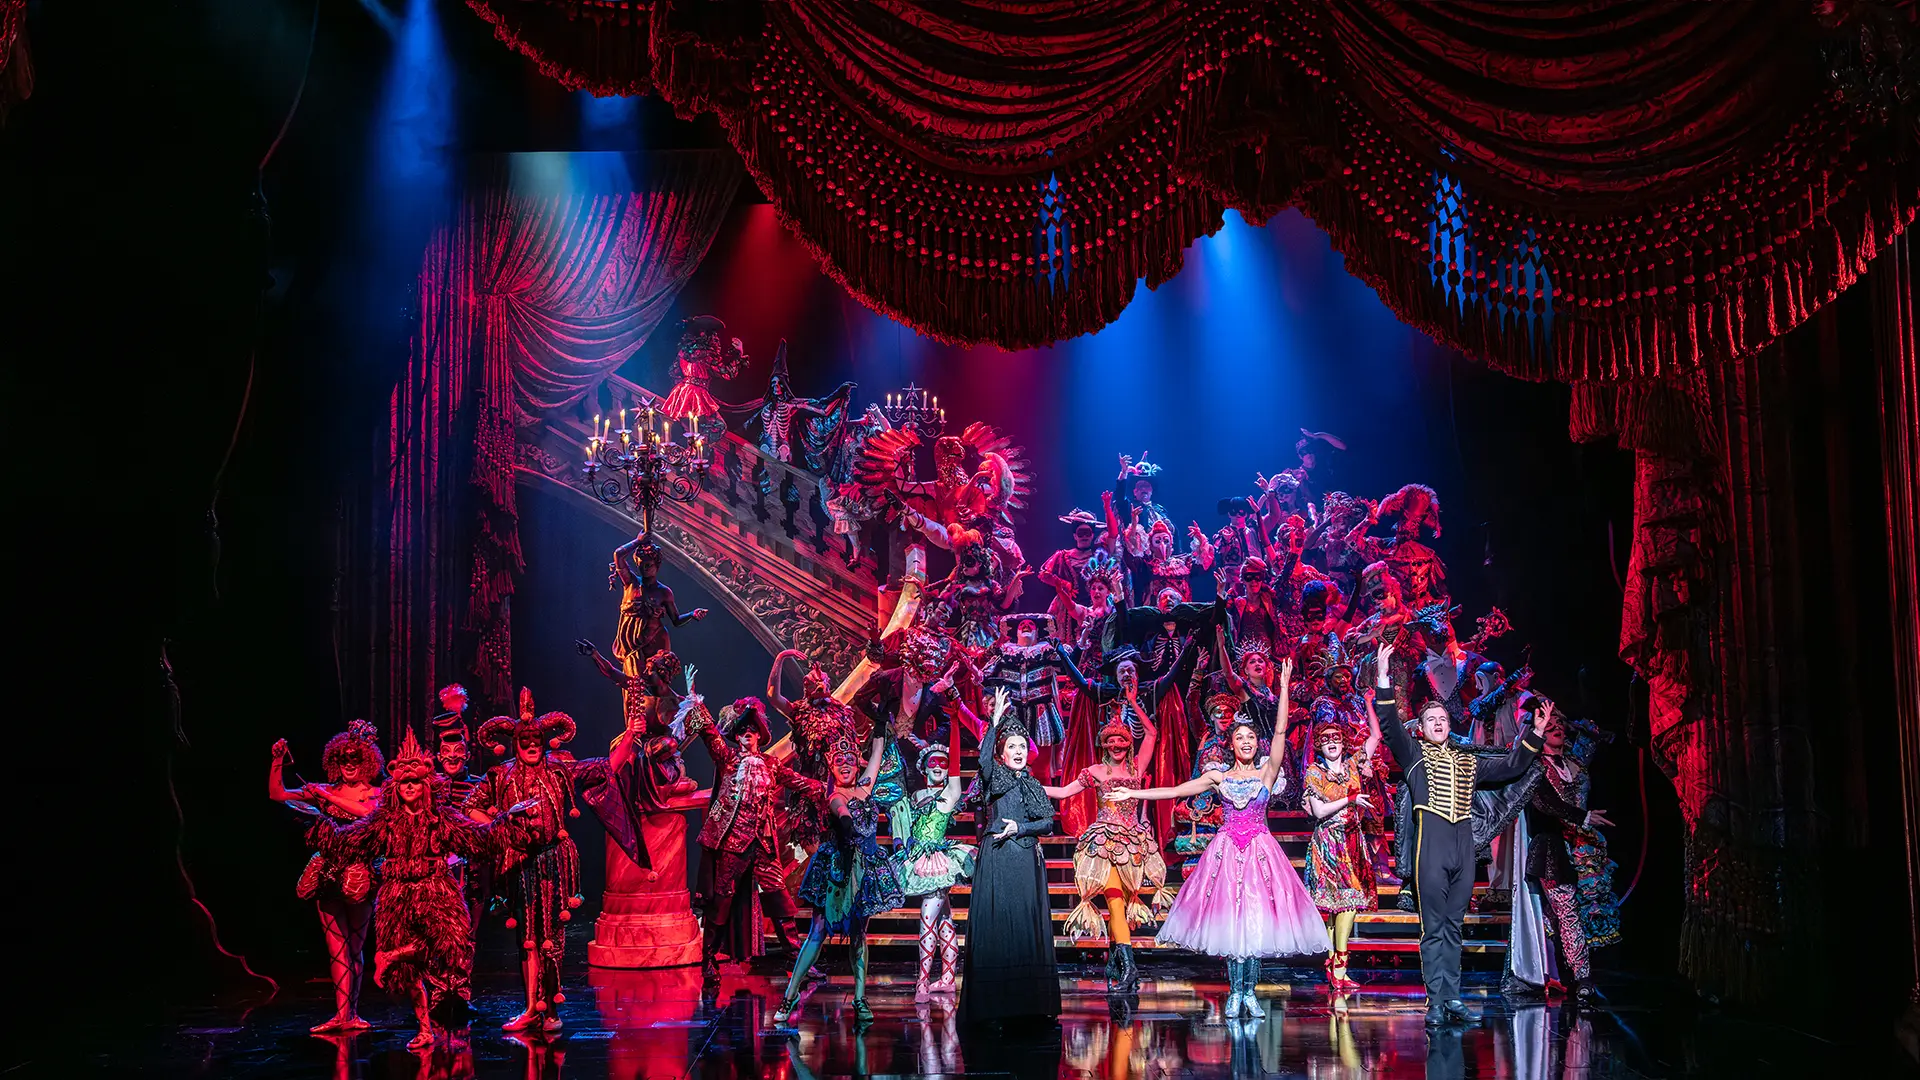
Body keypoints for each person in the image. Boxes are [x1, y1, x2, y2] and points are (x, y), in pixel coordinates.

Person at [1364, 641, 1546, 1027]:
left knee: (1453, 926)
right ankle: (1436, 1001)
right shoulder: (1413, 757)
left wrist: (1536, 735)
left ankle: (1454, 998)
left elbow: (1510, 766)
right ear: (1422, 728)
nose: (1438, 723)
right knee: (1433, 929)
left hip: (1463, 847)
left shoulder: (1468, 760)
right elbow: (1391, 724)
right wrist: (1382, 677)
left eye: (1443, 718)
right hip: (1431, 846)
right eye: (1430, 719)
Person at [322, 727, 535, 1049]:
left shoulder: (441, 817)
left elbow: (477, 840)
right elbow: (353, 839)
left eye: (415, 782)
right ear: (397, 786)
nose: (409, 787)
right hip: (397, 893)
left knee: (450, 945)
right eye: (404, 782)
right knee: (409, 973)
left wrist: (505, 820)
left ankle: (390, 955)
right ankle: (424, 1028)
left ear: (425, 785)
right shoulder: (384, 819)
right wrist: (322, 826)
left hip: (436, 890)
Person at [1111, 716, 1331, 1019]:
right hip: (1227, 853)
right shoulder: (1220, 778)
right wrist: (1133, 794)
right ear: (1231, 744)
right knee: (1231, 924)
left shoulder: (1267, 772)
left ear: (1257, 744)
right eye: (1240, 737)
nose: (1246, 742)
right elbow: (1177, 790)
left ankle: (1250, 993)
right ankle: (1235, 992)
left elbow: (1280, 730)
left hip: (1260, 853)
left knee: (1255, 926)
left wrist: (1284, 685)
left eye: (1251, 737)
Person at [466, 688, 633, 1033]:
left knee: (551, 936)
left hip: (553, 861)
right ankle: (530, 1007)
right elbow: (471, 806)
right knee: (526, 937)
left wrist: (631, 733)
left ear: (544, 741)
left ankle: (553, 1011)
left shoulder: (560, 770)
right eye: (524, 739)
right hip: (517, 863)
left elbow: (607, 766)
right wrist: (500, 824)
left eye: (536, 738)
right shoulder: (500, 776)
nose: (531, 744)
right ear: (515, 742)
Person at [684, 693, 827, 985]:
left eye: (751, 730)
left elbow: (800, 783)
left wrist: (832, 787)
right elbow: (709, 733)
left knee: (779, 899)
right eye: (741, 731)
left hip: (762, 843)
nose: (746, 734)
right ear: (736, 736)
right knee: (721, 902)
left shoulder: (772, 764)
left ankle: (794, 958)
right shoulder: (727, 759)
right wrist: (696, 699)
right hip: (732, 841)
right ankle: (708, 960)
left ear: (759, 735)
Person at [770, 732, 900, 1029]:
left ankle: (860, 997)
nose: (844, 765)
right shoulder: (835, 796)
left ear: (858, 766)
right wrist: (846, 823)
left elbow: (877, 753)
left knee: (859, 933)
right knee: (818, 930)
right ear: (831, 767)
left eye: (850, 761)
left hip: (864, 867)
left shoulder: (866, 788)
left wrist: (880, 722)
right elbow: (840, 810)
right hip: (836, 868)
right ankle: (790, 996)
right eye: (838, 761)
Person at [1041, 707, 1169, 995]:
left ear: (1128, 743)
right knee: (1113, 901)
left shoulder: (1138, 766)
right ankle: (1131, 968)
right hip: (1105, 843)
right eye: (1110, 741)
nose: (1116, 746)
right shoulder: (1095, 771)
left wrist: (1134, 703)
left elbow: (1152, 733)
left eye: (1121, 740)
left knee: (1121, 907)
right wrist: (1026, 783)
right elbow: (1062, 793)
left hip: (1134, 843)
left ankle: (1114, 961)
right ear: (1104, 745)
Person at [268, 720, 383, 1034]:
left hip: (361, 873)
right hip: (329, 872)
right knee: (336, 947)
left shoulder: (376, 792)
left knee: (356, 948)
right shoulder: (326, 790)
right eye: (343, 759)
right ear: (335, 761)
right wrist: (278, 760)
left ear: (367, 760)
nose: (348, 764)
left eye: (355, 758)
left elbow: (369, 815)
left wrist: (325, 797)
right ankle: (342, 1015)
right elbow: (278, 794)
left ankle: (353, 1011)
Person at [957, 692, 1062, 1028]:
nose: (1017, 752)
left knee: (1026, 925)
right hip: (999, 858)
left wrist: (1021, 827)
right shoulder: (995, 777)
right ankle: (995, 1005)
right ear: (1003, 753)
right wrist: (995, 721)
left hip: (1026, 858)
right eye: (1011, 747)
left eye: (1021, 746)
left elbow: (1047, 822)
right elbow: (984, 760)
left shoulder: (1031, 784)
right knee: (1000, 925)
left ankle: (1030, 1003)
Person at [1522, 701, 1618, 1006]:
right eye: (1550, 727)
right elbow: (1545, 803)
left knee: (1572, 915)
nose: (1557, 729)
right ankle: (1582, 977)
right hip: (1553, 848)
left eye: (1559, 725)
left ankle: (1562, 974)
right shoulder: (1534, 766)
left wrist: (1579, 724)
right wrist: (1584, 817)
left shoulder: (1575, 762)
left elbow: (1600, 736)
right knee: (1566, 914)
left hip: (1583, 847)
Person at [888, 738, 975, 1000]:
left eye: (943, 763)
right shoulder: (914, 797)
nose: (938, 766)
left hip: (936, 861)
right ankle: (948, 977)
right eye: (933, 762)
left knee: (927, 922)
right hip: (916, 858)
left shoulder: (948, 796)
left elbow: (957, 773)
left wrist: (956, 722)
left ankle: (922, 982)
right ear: (923, 768)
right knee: (944, 919)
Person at [1303, 720, 1383, 990]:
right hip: (1328, 841)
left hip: (1351, 838)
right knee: (1336, 905)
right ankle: (1338, 966)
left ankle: (1338, 968)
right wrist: (1350, 799)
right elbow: (1319, 811)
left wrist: (1372, 697)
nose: (1332, 742)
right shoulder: (1315, 772)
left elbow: (1375, 736)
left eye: (1336, 737)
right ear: (1319, 745)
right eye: (1325, 739)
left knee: (1347, 902)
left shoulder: (1352, 765)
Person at [609, 536, 707, 676]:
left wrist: (692, 614)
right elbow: (618, 555)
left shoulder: (664, 592)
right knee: (633, 686)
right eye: (641, 565)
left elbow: (676, 620)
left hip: (654, 641)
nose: (644, 568)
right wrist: (638, 541)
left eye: (648, 565)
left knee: (654, 681)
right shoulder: (631, 583)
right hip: (629, 644)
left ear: (657, 565)